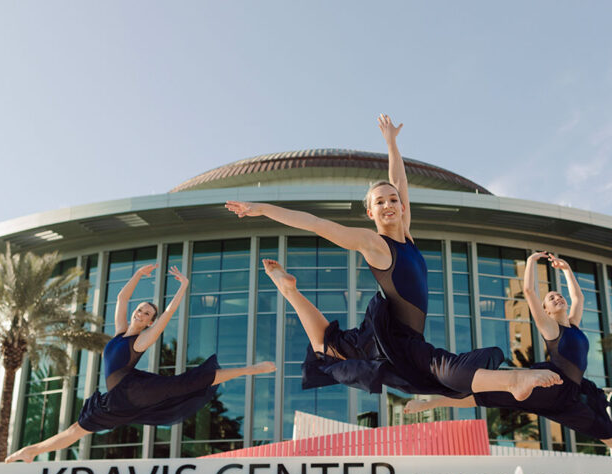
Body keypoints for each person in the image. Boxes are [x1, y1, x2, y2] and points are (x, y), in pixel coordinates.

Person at [226, 115, 562, 404]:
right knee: (436, 368)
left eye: (393, 201)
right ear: (370, 212)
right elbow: (317, 224)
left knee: (327, 345)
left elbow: (399, 180)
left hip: (399, 336)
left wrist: (391, 144)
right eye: (380, 202)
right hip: (394, 339)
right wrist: (262, 209)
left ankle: (290, 291)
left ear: (402, 206)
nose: (388, 205)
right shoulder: (374, 244)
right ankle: (513, 381)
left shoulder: (408, 235)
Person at [405, 252, 612, 474]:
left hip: (572, 396)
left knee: (610, 436)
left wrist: (566, 270)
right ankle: (430, 402)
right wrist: (530, 261)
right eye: (551, 298)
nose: (557, 297)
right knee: (485, 395)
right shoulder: (552, 331)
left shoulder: (573, 324)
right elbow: (528, 290)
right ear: (548, 311)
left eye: (557, 295)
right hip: (549, 382)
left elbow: (579, 297)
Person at [6, 263, 274, 463]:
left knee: (189, 382)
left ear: (149, 322)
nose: (141, 312)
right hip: (118, 398)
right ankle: (32, 451)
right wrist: (137, 275)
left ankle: (253, 369)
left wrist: (183, 286)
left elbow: (167, 314)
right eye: (142, 308)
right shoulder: (121, 331)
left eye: (147, 313)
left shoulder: (141, 340)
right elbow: (122, 299)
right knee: (78, 429)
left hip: (133, 389)